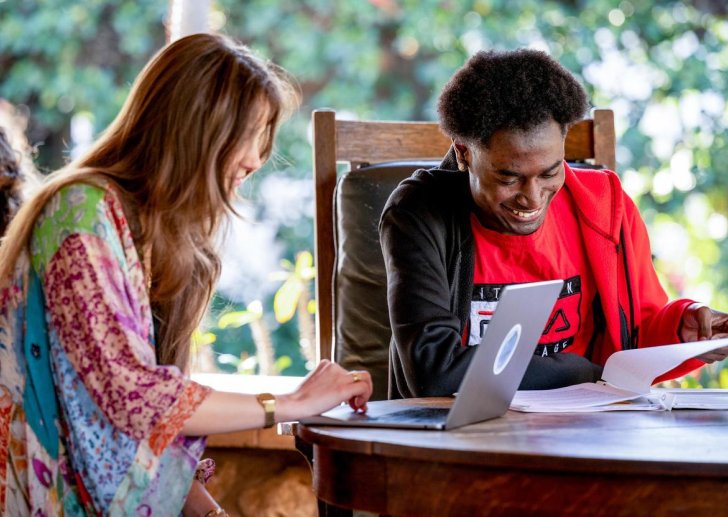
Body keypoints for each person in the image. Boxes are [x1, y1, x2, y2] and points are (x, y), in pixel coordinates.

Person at [0, 33, 372, 516]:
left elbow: (155, 415)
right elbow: (133, 394)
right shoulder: (81, 212)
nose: (256, 160)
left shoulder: (160, 237)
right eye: (250, 135)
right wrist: (291, 401)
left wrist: (211, 512)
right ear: (197, 130)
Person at [379, 48, 728, 399]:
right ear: (464, 153)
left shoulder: (604, 205)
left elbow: (634, 337)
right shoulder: (418, 214)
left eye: (550, 172)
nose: (532, 197)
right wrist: (585, 372)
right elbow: (436, 372)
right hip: (463, 439)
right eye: (509, 177)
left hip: (588, 432)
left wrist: (682, 332)